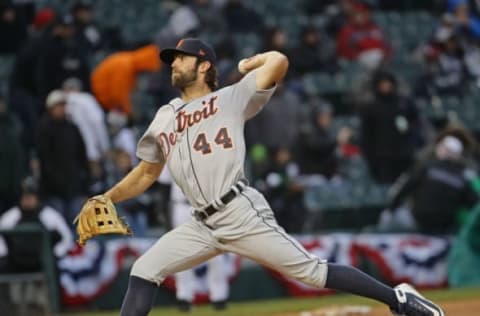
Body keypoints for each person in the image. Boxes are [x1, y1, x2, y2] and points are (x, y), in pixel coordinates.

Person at [85, 38, 444, 316]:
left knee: (312, 272)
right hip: (199, 224)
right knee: (145, 268)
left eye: (180, 57)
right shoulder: (165, 114)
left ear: (203, 64)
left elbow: (280, 62)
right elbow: (148, 171)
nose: (173, 63)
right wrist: (108, 198)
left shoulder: (232, 97)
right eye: (171, 60)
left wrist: (249, 63)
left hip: (239, 212)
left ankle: (398, 298)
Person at [158, 169, 230, 312]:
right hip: (180, 207)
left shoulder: (207, 150)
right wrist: (165, 215)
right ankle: (184, 297)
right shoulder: (170, 153)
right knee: (182, 254)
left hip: (207, 206)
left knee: (215, 252)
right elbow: (164, 188)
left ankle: (219, 297)